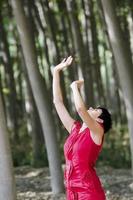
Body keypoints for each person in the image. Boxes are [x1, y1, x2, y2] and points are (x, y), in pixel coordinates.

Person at [52, 56, 112, 200]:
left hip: (89, 193)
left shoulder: (98, 131)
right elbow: (58, 102)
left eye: (95, 110)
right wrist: (56, 72)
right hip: (72, 193)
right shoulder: (75, 130)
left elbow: (80, 109)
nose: (90, 107)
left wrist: (74, 87)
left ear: (99, 120)